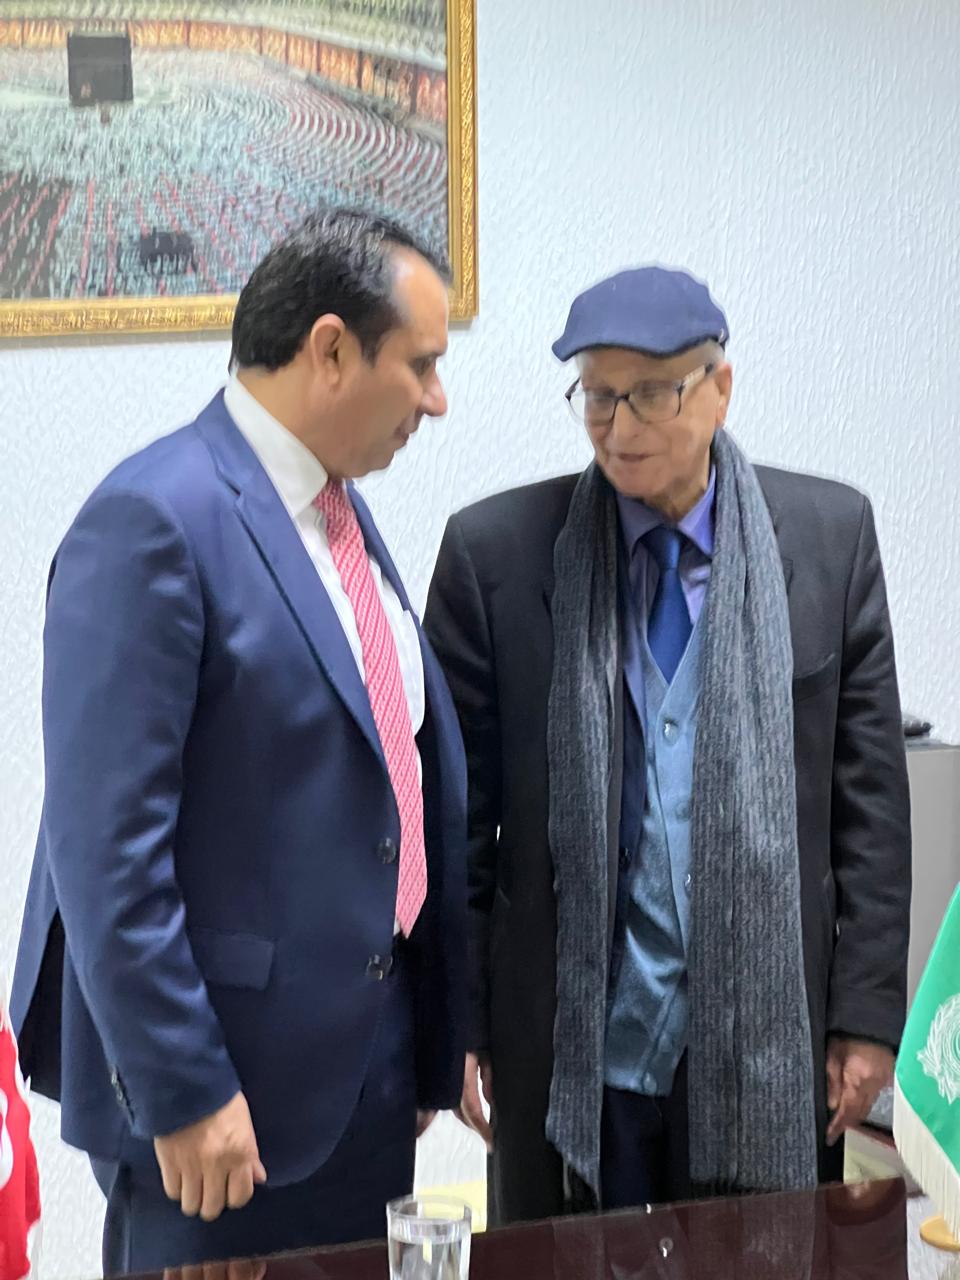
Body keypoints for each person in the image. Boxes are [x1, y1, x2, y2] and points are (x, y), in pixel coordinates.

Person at [10, 208, 466, 1273]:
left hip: (358, 1081)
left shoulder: (334, 513)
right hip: (224, 1108)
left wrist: (426, 1041)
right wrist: (185, 1089)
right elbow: (105, 853)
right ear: (331, 350)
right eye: (422, 364)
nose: (438, 400)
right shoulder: (153, 519)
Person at [424, 266, 911, 1223]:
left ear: (720, 389)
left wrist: (865, 1015)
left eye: (651, 393)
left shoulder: (830, 540)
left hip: (767, 1045)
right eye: (598, 397)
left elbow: (871, 808)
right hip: (570, 1050)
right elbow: (459, 820)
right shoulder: (497, 556)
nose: (619, 426)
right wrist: (460, 1020)